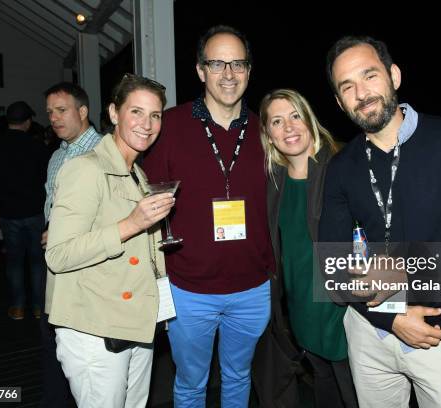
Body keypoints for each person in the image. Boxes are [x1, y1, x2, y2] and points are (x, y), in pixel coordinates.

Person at [319, 36, 441, 407]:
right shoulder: (342, 167)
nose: (362, 93)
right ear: (339, 102)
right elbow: (332, 264)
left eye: (370, 75)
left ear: (393, 75)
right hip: (369, 333)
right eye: (348, 87)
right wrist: (388, 317)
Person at [142, 25, 273, 407]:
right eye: (217, 63)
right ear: (200, 70)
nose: (228, 74)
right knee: (190, 383)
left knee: (238, 378)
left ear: (249, 70)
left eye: (237, 64)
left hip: (253, 288)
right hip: (189, 291)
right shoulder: (169, 126)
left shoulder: (268, 128)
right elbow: (133, 188)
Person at [45, 74, 174, 408]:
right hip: (95, 330)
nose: (147, 124)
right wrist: (129, 225)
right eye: (137, 112)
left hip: (135, 322)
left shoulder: (137, 172)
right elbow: (58, 255)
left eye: (155, 115)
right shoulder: (84, 169)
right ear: (114, 114)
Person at [257, 89, 358, 408]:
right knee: (324, 386)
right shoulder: (275, 181)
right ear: (269, 135)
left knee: (354, 391)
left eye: (295, 115)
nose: (288, 127)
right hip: (302, 309)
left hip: (342, 308)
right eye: (277, 121)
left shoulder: (344, 165)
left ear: (309, 119)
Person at [40, 81, 102, 408]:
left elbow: (116, 216)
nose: (53, 118)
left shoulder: (104, 151)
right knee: (55, 339)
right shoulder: (56, 156)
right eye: (50, 112)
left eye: (61, 110)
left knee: (84, 349)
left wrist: (65, 234)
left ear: (82, 111)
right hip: (55, 262)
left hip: (88, 267)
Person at [0, 101, 49, 320]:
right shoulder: (38, 146)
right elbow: (47, 181)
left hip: (8, 213)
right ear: (28, 122)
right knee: (37, 261)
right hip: (35, 212)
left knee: (14, 261)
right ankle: (39, 307)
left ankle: (18, 307)